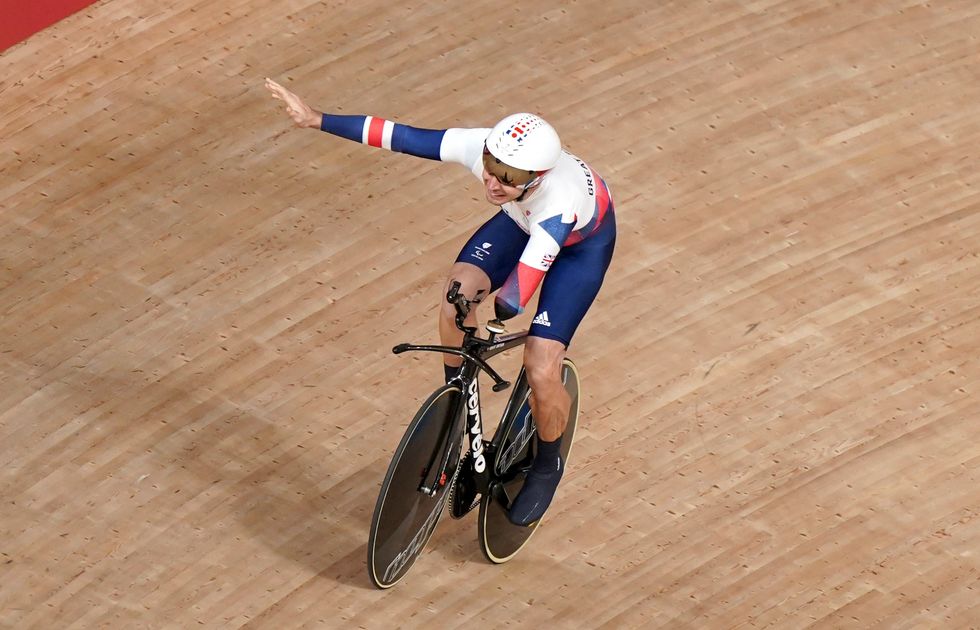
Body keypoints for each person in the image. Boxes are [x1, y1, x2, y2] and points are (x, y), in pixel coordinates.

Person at [265, 78, 616, 526]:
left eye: (508, 177)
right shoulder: (488, 155)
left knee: (541, 365)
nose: (493, 180)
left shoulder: (558, 201)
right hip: (520, 222)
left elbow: (521, 288)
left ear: (537, 179)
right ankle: (455, 395)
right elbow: (402, 136)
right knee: (455, 298)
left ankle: (547, 466)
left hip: (575, 249)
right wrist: (316, 119)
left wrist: (502, 312)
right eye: (491, 165)